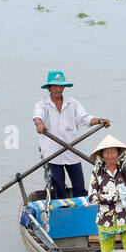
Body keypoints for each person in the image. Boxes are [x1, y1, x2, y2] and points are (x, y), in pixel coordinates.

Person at [32, 70, 109, 199]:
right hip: (52, 154)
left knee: (79, 185)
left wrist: (99, 121)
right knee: (58, 187)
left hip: (72, 151)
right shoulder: (42, 104)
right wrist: (40, 125)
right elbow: (37, 117)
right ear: (49, 88)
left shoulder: (72, 103)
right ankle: (61, 212)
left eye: (61, 86)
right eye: (55, 86)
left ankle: (82, 210)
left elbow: (85, 118)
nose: (59, 89)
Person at [86, 135, 126, 252]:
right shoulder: (97, 173)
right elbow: (91, 197)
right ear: (101, 155)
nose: (110, 156)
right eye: (106, 153)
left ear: (119, 153)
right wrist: (117, 195)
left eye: (113, 152)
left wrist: (108, 196)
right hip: (105, 220)